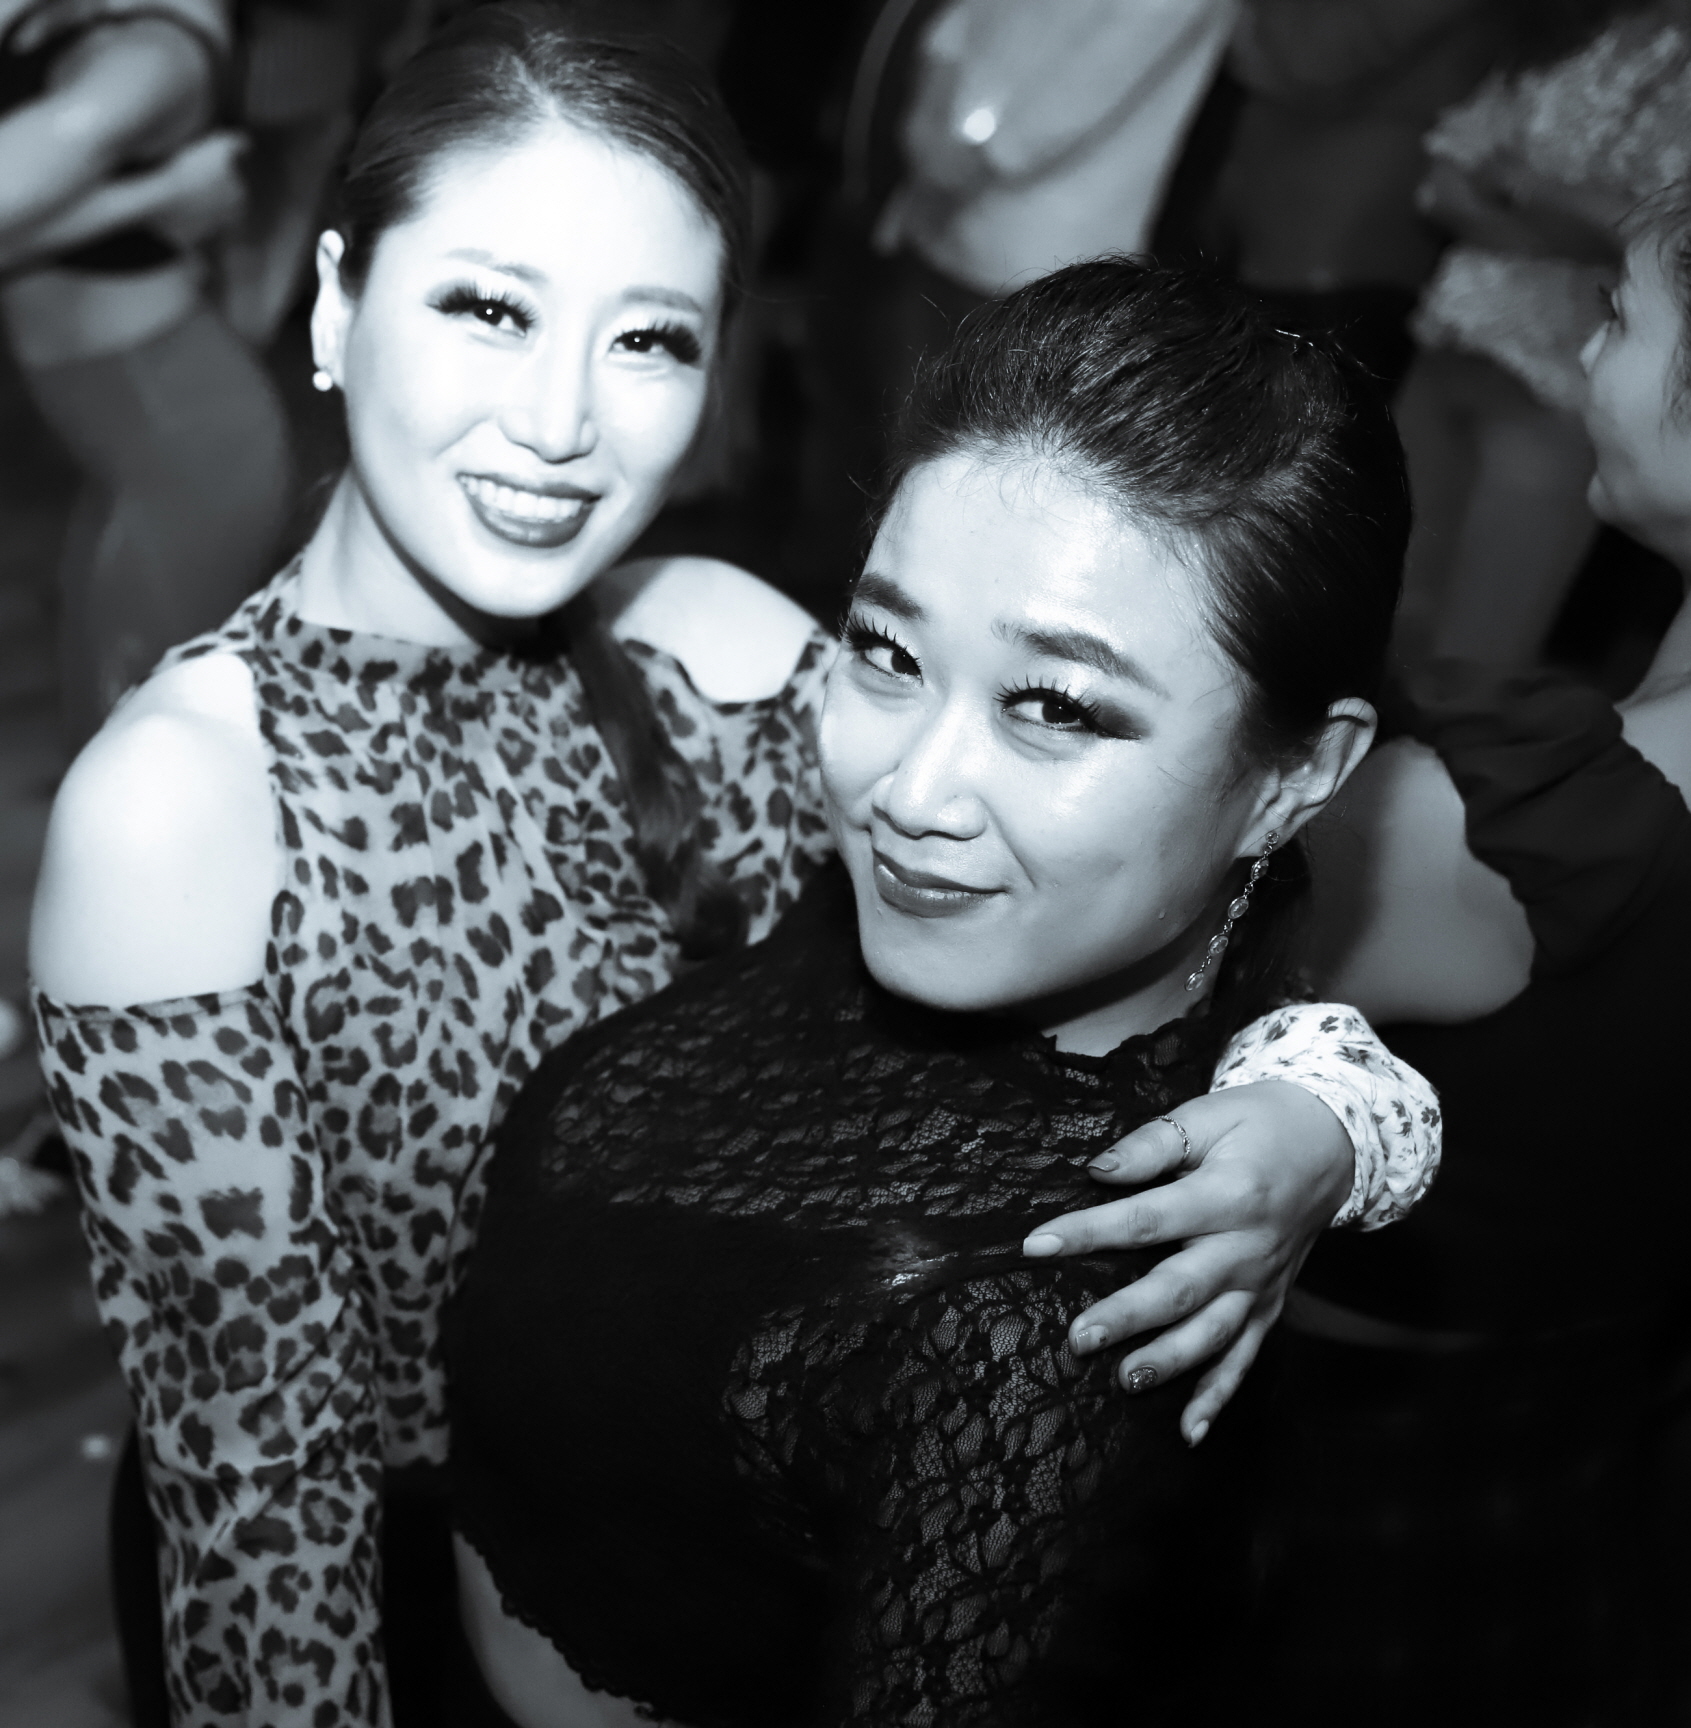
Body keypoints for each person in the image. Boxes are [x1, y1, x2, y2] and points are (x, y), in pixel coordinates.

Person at [25, 10, 1438, 1725]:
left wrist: (1322, 1111)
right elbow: (261, 1488)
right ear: (334, 304)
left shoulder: (727, 650)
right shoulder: (183, 806)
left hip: (709, 1557)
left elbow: (1148, 871)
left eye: (646, 338)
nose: (558, 419)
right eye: (489, 307)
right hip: (378, 1601)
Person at [443, 257, 1421, 1726]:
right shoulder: (927, 917)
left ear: (1296, 776)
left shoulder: (1041, 1338)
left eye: (1055, 707)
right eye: (887, 652)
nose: (907, 789)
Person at [1036, 189, 1691, 1722]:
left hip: (1345, 1478)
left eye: (1617, 316)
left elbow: (1109, 993)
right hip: (1590, 1474)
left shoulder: (1500, 830)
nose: (1578, 350)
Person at [0, 0, 295, 745]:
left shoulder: (151, 58)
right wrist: (154, 197)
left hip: (188, 444)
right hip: (126, 435)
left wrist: (142, 200)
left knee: (134, 726)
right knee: (110, 698)